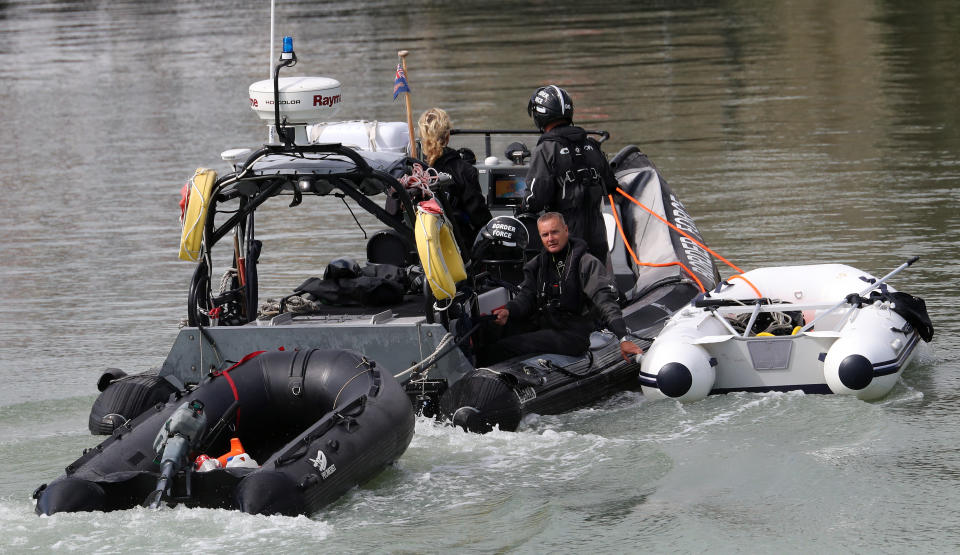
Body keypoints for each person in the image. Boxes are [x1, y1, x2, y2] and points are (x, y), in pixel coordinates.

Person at [478, 212, 643, 366]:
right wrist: (509, 310)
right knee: (488, 332)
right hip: (544, 325)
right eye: (545, 235)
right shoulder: (536, 265)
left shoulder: (586, 263)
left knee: (504, 347)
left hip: (572, 334)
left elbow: (605, 301)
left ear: (566, 230)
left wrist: (623, 338)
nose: (550, 239)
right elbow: (526, 297)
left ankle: (492, 384)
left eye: (554, 232)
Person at [523, 85, 618, 263]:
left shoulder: (545, 150)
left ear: (539, 115)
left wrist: (522, 206)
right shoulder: (592, 145)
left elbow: (535, 200)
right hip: (598, 239)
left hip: (566, 241)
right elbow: (611, 185)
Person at [417, 108, 492, 251]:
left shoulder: (413, 172)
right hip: (458, 248)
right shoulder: (464, 170)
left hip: (421, 247)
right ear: (448, 136)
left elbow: (393, 211)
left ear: (422, 136)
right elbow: (480, 217)